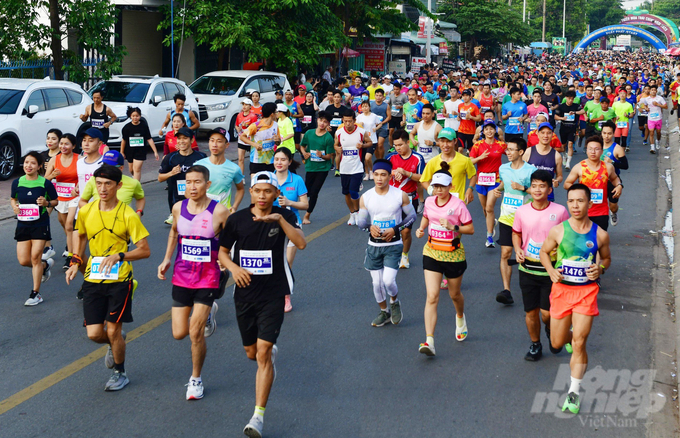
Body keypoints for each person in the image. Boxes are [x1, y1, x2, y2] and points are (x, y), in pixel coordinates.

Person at [218, 171, 306, 437]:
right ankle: (265, 354)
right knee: (251, 353)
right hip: (244, 295)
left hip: (273, 293)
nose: (262, 195)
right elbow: (222, 252)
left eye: (268, 191)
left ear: (276, 194)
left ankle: (257, 416)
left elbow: (300, 243)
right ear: (252, 192)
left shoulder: (285, 216)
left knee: (263, 352)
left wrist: (280, 219)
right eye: (258, 190)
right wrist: (234, 268)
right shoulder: (236, 220)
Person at [65, 164, 151, 391]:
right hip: (93, 278)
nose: (102, 189)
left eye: (108, 184)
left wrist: (121, 255)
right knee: (94, 334)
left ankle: (120, 372)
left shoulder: (128, 214)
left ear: (118, 186)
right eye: (98, 184)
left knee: (112, 329)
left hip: (120, 280)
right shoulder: (86, 212)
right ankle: (115, 342)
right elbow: (81, 237)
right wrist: (75, 262)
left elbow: (144, 250)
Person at [158, 165, 229, 401]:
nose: (192, 186)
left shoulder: (219, 211)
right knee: (179, 333)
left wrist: (225, 261)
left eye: (197, 182)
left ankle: (195, 379)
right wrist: (167, 258)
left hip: (208, 277)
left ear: (207, 185)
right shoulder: (178, 207)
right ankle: (208, 314)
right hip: (182, 274)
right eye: (188, 182)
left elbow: (231, 240)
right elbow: (174, 233)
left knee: (195, 333)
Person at [540, 183, 612, 415]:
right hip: (561, 292)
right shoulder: (558, 230)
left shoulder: (600, 234)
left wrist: (600, 268)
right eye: (571, 201)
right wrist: (551, 270)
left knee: (580, 343)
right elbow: (543, 252)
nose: (575, 205)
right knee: (557, 343)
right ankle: (568, 336)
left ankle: (573, 392)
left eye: (580, 201)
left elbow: (607, 259)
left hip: (586, 293)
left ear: (590, 203)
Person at [414, 161, 474, 356]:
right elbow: (427, 216)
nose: (438, 190)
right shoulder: (430, 201)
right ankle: (429, 341)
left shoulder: (458, 205)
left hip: (453, 254)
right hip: (431, 251)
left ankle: (460, 316)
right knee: (432, 296)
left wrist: (453, 227)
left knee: (454, 295)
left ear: (451, 187)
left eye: (442, 186)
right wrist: (422, 228)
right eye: (435, 186)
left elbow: (470, 229)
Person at [512, 170, 569, 361]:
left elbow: (567, 237)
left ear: (549, 189)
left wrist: (559, 251)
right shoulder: (522, 210)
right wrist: (517, 249)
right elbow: (516, 233)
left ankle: (550, 328)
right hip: (527, 269)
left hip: (550, 271)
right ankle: (535, 344)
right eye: (534, 185)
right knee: (530, 312)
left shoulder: (559, 211)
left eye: (542, 186)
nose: (537, 190)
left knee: (546, 313)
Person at [355, 159, 416, 327]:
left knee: (388, 281)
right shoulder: (366, 197)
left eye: (383, 175)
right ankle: (384, 312)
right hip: (374, 246)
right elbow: (360, 222)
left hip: (394, 245)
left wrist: (396, 229)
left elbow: (412, 217)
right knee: (376, 283)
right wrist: (369, 227)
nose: (379, 178)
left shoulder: (399, 195)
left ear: (390, 176)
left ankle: (394, 302)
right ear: (372, 175)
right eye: (376, 174)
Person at [491, 137, 535, 305]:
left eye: (511, 149)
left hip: (527, 218)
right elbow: (505, 183)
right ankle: (506, 290)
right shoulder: (503, 168)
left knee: (528, 254)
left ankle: (532, 286)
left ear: (521, 152)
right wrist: (498, 189)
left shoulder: (531, 170)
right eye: (506, 149)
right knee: (505, 253)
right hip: (507, 217)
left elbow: (539, 190)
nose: (507, 152)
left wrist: (523, 188)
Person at [11, 152, 58, 306]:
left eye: (32, 163)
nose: (28, 166)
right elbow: (13, 198)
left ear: (39, 166)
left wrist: (46, 203)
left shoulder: (45, 183)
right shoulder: (17, 182)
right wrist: (14, 207)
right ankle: (45, 266)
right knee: (24, 260)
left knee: (35, 257)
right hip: (23, 224)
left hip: (40, 224)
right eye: (26, 162)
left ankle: (35, 294)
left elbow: (55, 201)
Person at [273, 147, 308, 313]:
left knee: (285, 264)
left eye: (283, 159)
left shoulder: (297, 180)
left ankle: (285, 296)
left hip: (292, 225)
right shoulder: (268, 178)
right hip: (271, 227)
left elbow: (305, 204)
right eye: (276, 159)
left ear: (289, 161)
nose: (279, 162)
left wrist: (289, 203)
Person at [563, 136, 622, 232]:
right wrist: (582, 189)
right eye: (590, 149)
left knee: (599, 241)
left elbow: (615, 178)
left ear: (602, 151)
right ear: (586, 151)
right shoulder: (579, 167)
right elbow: (566, 184)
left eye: (596, 149)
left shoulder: (608, 167)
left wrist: (619, 185)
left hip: (602, 212)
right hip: (583, 211)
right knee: (583, 241)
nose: (593, 152)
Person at [386, 129, 426, 269]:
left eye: (400, 145)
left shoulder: (418, 158)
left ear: (408, 143)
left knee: (406, 231)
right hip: (391, 199)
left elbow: (422, 178)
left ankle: (404, 255)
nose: (398, 148)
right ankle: (390, 254)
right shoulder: (391, 157)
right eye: (395, 145)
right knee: (389, 229)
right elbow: (381, 172)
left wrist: (406, 173)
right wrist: (393, 172)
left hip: (409, 199)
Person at [159, 127, 207, 224]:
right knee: (180, 229)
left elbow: (208, 178)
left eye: (185, 138)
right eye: (179, 138)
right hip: (177, 200)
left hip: (197, 198)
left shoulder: (201, 157)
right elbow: (160, 178)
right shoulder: (170, 158)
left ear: (192, 140)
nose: (181, 141)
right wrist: (171, 173)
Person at [469, 120, 506, 248]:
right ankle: (491, 223)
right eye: (486, 129)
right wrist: (480, 158)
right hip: (481, 180)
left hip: (496, 180)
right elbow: (470, 162)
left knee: (490, 207)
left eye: (492, 129)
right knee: (485, 209)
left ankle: (489, 237)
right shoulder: (477, 146)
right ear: (483, 132)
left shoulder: (501, 145)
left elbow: (514, 153)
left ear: (495, 130)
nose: (489, 131)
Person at [45, 133, 79, 269]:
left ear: (73, 146)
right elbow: (45, 179)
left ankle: (70, 256)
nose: (63, 146)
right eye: (61, 143)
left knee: (70, 224)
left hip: (74, 197)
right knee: (65, 224)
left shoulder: (79, 159)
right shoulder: (54, 159)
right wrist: (53, 175)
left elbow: (84, 177)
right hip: (60, 198)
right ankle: (75, 245)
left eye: (66, 144)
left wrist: (78, 187)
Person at [195, 127, 245, 213]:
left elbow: (240, 189)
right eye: (212, 140)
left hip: (223, 214)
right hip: (201, 213)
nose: (214, 144)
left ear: (227, 145)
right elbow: (189, 190)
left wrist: (234, 207)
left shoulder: (234, 169)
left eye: (219, 141)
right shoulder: (198, 166)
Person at [335, 111, 371, 226]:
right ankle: (352, 213)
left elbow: (370, 143)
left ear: (354, 121)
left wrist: (363, 146)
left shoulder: (361, 132)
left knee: (353, 191)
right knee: (346, 193)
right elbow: (335, 144)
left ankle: (358, 211)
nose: (347, 124)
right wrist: (337, 149)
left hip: (357, 167)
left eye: (350, 121)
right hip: (344, 168)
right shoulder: (339, 132)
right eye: (345, 121)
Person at [80, 151, 145, 213]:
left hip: (122, 223)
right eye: (104, 165)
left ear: (121, 168)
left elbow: (140, 198)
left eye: (111, 167)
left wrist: (139, 212)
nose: (106, 169)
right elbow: (82, 201)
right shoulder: (95, 180)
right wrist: (94, 212)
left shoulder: (133, 183)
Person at [300, 111, 334, 225]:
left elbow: (329, 156)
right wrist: (304, 153)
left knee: (314, 193)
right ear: (317, 120)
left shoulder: (328, 138)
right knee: (307, 192)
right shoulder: (309, 133)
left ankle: (307, 215)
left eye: (325, 122)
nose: (322, 123)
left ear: (328, 123)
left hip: (323, 169)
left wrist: (322, 156)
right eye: (321, 120)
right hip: (310, 167)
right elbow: (302, 146)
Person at [523, 123, 563, 203]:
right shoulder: (529, 152)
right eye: (543, 132)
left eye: (549, 133)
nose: (545, 136)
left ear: (552, 134)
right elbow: (521, 172)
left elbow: (560, 176)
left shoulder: (556, 156)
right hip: (530, 194)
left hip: (548, 196)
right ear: (537, 134)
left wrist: (557, 181)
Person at [600, 121, 628, 227]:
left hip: (612, 180)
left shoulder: (617, 148)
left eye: (609, 133)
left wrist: (612, 162)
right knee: (596, 205)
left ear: (613, 133)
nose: (606, 136)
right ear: (601, 133)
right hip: (598, 180)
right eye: (604, 133)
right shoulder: (596, 147)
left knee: (613, 206)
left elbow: (625, 165)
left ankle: (614, 213)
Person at [120, 107, 159, 181]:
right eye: (133, 116)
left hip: (140, 151)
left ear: (140, 116)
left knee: (137, 169)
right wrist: (121, 152)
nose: (135, 118)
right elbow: (124, 140)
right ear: (130, 116)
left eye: (137, 116)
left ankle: (136, 188)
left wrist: (155, 151)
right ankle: (135, 179)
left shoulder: (144, 126)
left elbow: (149, 139)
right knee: (131, 170)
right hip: (130, 151)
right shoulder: (126, 127)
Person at [240, 102, 280, 174]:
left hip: (270, 161)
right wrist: (254, 144)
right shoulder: (256, 125)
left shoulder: (276, 125)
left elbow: (278, 143)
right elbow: (242, 137)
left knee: (269, 184)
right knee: (256, 185)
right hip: (257, 161)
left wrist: (278, 140)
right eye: (276, 112)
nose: (277, 114)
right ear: (272, 114)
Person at [554, 90, 583, 170]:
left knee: (570, 144)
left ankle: (568, 163)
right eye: (569, 98)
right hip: (563, 127)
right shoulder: (561, 106)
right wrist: (562, 118)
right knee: (563, 145)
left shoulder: (576, 106)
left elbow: (582, 111)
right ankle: (564, 156)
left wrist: (575, 112)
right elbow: (555, 116)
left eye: (572, 99)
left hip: (572, 127)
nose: (570, 100)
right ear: (566, 98)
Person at [356, 101, 380, 180]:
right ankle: (366, 173)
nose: (365, 108)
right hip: (362, 140)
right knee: (363, 158)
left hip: (372, 140)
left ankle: (372, 171)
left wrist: (376, 128)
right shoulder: (359, 117)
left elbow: (380, 123)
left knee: (368, 158)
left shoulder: (374, 116)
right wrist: (360, 125)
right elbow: (355, 127)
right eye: (363, 106)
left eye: (366, 106)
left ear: (369, 107)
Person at [235, 99, 259, 175]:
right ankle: (241, 178)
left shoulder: (253, 116)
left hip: (250, 141)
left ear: (250, 106)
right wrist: (237, 128)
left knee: (253, 160)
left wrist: (247, 126)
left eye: (246, 104)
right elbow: (236, 124)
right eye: (243, 104)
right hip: (241, 139)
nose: (244, 106)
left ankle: (254, 175)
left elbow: (255, 129)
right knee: (240, 159)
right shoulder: (239, 115)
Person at [641, 85, 667, 153]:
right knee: (651, 132)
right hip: (650, 118)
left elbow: (666, 106)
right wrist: (646, 108)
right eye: (652, 90)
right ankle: (652, 148)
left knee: (658, 132)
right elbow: (644, 105)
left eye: (654, 90)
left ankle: (657, 141)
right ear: (650, 91)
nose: (653, 91)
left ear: (656, 91)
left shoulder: (660, 98)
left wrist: (658, 104)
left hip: (658, 118)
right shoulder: (647, 99)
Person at [611, 88, 634, 153]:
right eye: (621, 93)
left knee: (624, 139)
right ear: (618, 94)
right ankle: (616, 153)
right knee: (617, 140)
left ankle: (622, 153)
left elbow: (632, 115)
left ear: (626, 95)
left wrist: (628, 116)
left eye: (624, 93)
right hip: (617, 123)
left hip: (625, 124)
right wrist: (615, 117)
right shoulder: (615, 104)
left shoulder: (629, 105)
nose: (622, 95)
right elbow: (612, 113)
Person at [370, 89, 391, 158]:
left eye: (380, 96)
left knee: (380, 144)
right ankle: (377, 160)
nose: (378, 97)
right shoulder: (371, 105)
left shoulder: (386, 105)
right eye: (377, 95)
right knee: (375, 146)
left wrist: (381, 123)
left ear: (383, 97)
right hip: (373, 128)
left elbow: (389, 117)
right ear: (374, 96)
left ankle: (381, 159)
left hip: (383, 127)